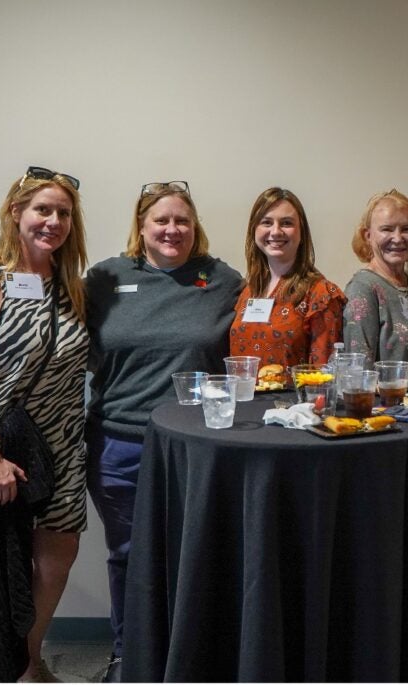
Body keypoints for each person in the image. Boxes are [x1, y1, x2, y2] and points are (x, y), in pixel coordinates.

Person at [85, 181, 243, 682]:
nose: (172, 230)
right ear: (141, 226)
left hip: (197, 446)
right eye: (161, 220)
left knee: (196, 553)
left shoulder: (222, 280)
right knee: (129, 557)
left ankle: (192, 659)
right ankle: (127, 655)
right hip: (119, 441)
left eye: (182, 221)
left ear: (195, 227)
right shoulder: (105, 278)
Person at [0, 166, 90, 682]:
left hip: (63, 441)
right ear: (16, 213)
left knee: (60, 547)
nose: (53, 221)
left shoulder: (72, 285)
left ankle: (27, 657)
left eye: (63, 213)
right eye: (42, 210)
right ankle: (3, 667)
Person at [230, 187, 346, 367]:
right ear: (254, 230)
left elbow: (324, 378)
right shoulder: (248, 290)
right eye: (267, 222)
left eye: (286, 223)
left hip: (291, 396)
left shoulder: (321, 295)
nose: (276, 232)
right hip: (241, 395)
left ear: (302, 233)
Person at [343, 189, 408, 364]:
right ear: (368, 235)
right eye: (387, 229)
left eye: (406, 229)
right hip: (385, 393)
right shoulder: (363, 288)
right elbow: (358, 371)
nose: (398, 238)